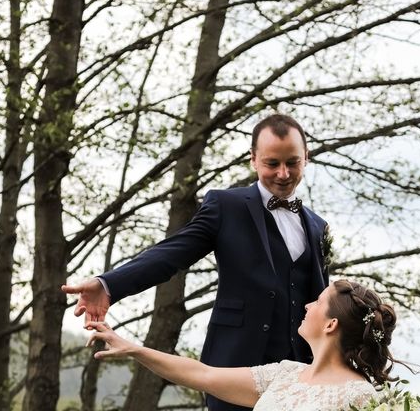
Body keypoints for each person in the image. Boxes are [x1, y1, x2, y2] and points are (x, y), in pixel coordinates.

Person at [62, 114, 330, 411]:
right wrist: (108, 284)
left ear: (306, 157)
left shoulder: (317, 225)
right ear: (253, 159)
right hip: (232, 367)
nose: (283, 173)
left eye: (292, 162)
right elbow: (171, 254)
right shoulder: (225, 206)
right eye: (272, 163)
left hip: (301, 376)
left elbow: (323, 301)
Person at [86, 280, 399, 411]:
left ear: (331, 324)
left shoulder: (360, 396)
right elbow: (203, 375)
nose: (306, 306)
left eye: (317, 302)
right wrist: (132, 349)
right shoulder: (285, 374)